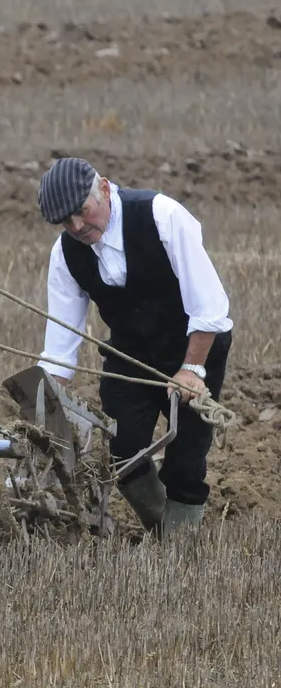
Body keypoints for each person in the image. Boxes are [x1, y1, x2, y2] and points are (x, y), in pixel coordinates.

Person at [35, 156, 233, 537]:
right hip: (130, 352)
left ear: (105, 189)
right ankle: (163, 532)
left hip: (193, 345)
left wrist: (192, 369)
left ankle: (180, 546)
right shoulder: (66, 253)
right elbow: (61, 343)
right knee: (123, 447)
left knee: (187, 457)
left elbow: (209, 306)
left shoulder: (161, 215)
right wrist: (46, 402)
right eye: (65, 221)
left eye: (82, 211)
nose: (76, 226)